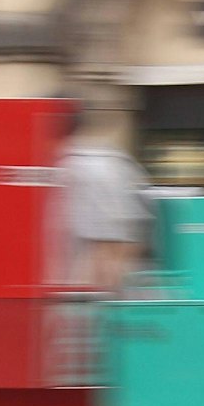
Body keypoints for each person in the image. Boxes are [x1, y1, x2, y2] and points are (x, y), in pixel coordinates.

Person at [57, 101, 151, 296]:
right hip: (77, 293)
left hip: (78, 297)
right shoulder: (110, 163)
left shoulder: (95, 166)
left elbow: (113, 245)